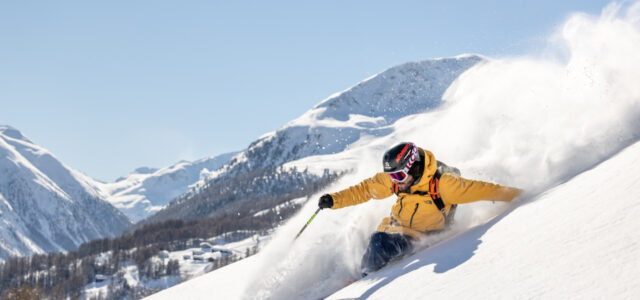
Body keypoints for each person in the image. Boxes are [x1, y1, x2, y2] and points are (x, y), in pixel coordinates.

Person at [318, 142, 522, 276]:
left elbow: (483, 190)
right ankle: (363, 274)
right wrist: (333, 200)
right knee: (371, 238)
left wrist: (522, 194)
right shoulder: (398, 181)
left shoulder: (443, 185)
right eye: (390, 177)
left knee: (378, 243)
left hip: (419, 237)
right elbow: (363, 190)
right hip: (392, 230)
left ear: (413, 167)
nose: (393, 182)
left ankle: (365, 278)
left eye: (397, 176)